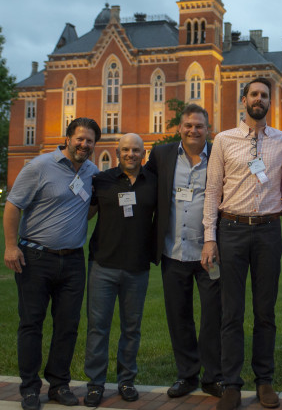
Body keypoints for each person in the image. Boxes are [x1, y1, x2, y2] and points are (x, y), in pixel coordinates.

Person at [202, 78, 282, 410]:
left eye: (264, 95)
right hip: (232, 230)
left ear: (270, 101)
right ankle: (231, 384)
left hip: (269, 232)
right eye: (254, 94)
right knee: (232, 312)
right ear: (244, 100)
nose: (259, 99)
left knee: (265, 310)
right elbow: (212, 191)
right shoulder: (223, 140)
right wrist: (210, 239)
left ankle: (265, 381)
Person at [3, 118, 101, 410]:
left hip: (72, 261)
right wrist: (10, 246)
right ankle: (30, 388)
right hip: (35, 258)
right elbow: (13, 205)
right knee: (32, 324)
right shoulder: (39, 166)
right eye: (80, 139)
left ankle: (59, 384)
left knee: (68, 326)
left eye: (90, 141)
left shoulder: (92, 172)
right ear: (68, 138)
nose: (84, 145)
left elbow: (90, 207)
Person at [144, 104, 223, 400]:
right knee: (179, 316)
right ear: (179, 128)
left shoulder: (219, 153)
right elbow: (142, 185)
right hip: (173, 252)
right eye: (188, 125)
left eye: (199, 126)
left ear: (208, 129)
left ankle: (213, 376)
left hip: (209, 254)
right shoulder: (162, 155)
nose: (193, 130)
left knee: (213, 316)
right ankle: (187, 374)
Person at [82, 133, 158, 407]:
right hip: (103, 265)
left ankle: (127, 380)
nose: (130, 154)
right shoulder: (102, 180)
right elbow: (86, 213)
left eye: (135, 150)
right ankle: (95, 384)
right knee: (98, 328)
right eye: (125, 149)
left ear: (143, 153)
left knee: (131, 329)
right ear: (117, 152)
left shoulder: (153, 183)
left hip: (137, 267)